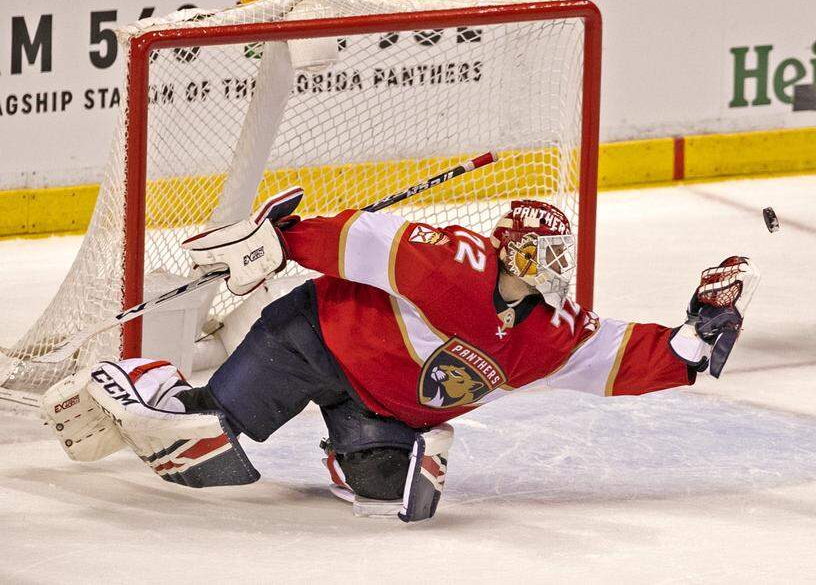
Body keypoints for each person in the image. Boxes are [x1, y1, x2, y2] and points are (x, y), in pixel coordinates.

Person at [43, 190, 758, 522]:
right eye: (538, 252)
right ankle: (139, 384)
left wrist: (699, 335)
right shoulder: (452, 264)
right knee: (202, 458)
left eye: (558, 254)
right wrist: (284, 243)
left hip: (381, 399)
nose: (551, 266)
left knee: (396, 501)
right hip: (313, 339)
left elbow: (626, 359)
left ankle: (364, 445)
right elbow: (364, 238)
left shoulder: (554, 333)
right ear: (510, 250)